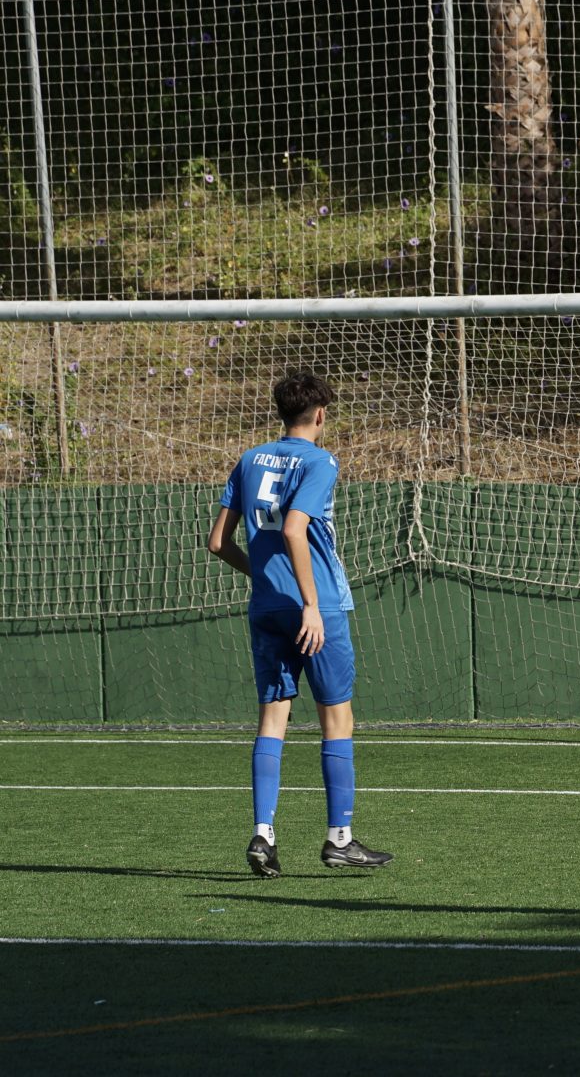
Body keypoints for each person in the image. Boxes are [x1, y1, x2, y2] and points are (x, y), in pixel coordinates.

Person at [206, 370, 392, 877]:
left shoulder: (249, 459)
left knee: (272, 720)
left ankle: (263, 834)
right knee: (337, 719)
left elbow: (217, 542)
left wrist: (265, 579)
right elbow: (294, 528)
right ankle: (339, 839)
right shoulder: (320, 461)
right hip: (318, 607)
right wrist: (309, 603)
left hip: (267, 607)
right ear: (321, 414)